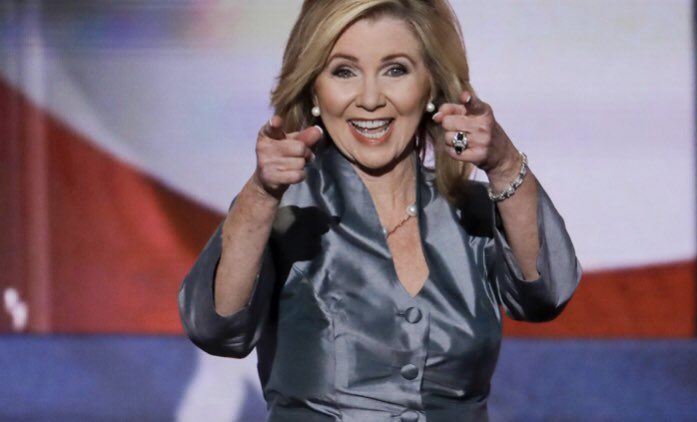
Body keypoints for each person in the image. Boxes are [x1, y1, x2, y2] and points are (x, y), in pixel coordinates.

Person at [179, 1, 581, 420]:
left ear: (430, 86)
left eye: (395, 70)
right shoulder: (284, 214)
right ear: (314, 89)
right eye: (344, 72)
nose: (370, 99)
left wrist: (504, 163)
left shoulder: (474, 212)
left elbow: (545, 296)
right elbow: (216, 330)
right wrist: (262, 195)